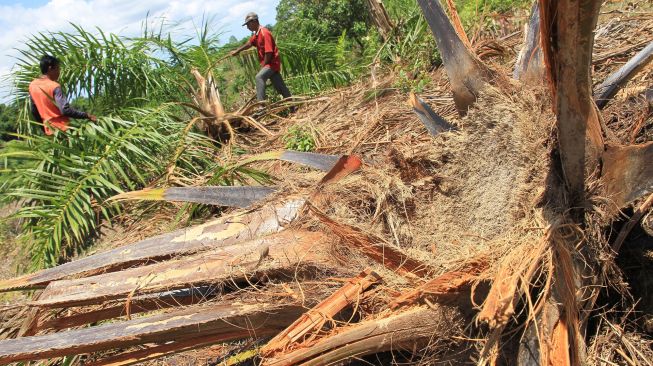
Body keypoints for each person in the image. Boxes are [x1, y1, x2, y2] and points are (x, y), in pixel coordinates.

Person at [230, 12, 292, 102]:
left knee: (259, 77)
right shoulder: (257, 34)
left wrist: (264, 65)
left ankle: (261, 106)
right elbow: (249, 43)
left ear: (254, 21)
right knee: (280, 86)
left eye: (248, 24)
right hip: (270, 64)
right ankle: (292, 105)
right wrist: (237, 51)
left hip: (271, 63)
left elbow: (269, 52)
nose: (247, 27)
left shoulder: (264, 33)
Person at [29, 55, 97, 135]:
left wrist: (44, 130)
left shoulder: (32, 86)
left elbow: (34, 111)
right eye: (58, 68)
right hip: (64, 130)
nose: (59, 72)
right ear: (50, 68)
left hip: (50, 131)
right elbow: (65, 110)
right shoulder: (54, 86)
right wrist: (87, 115)